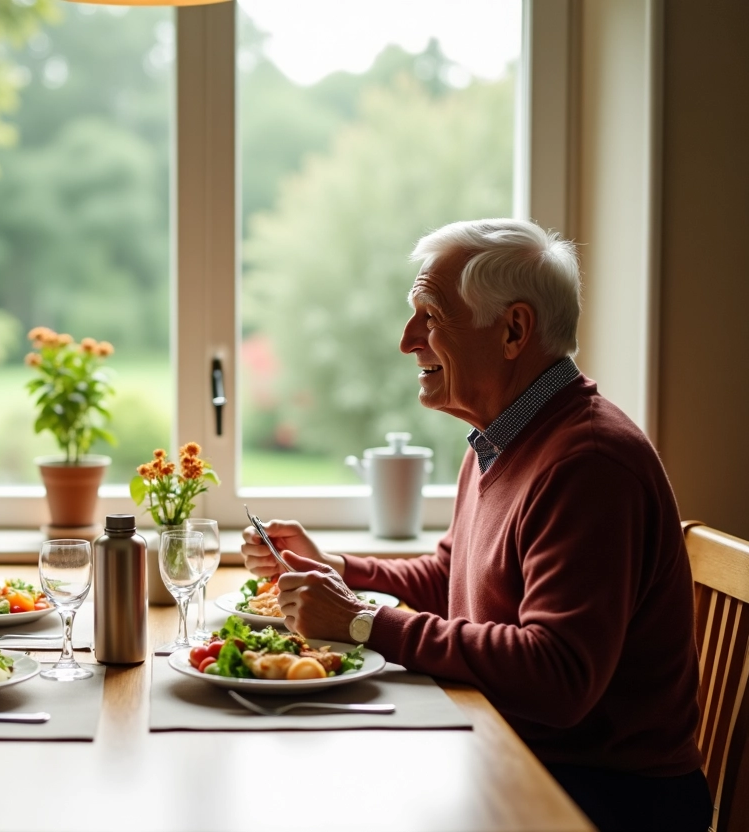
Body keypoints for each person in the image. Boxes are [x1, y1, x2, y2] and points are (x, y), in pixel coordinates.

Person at [242, 219, 712, 832]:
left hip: (598, 797)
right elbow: (453, 575)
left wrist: (362, 620)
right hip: (516, 754)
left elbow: (558, 677)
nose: (408, 340)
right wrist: (338, 571)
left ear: (514, 330)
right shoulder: (501, 438)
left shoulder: (590, 464)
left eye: (430, 316)